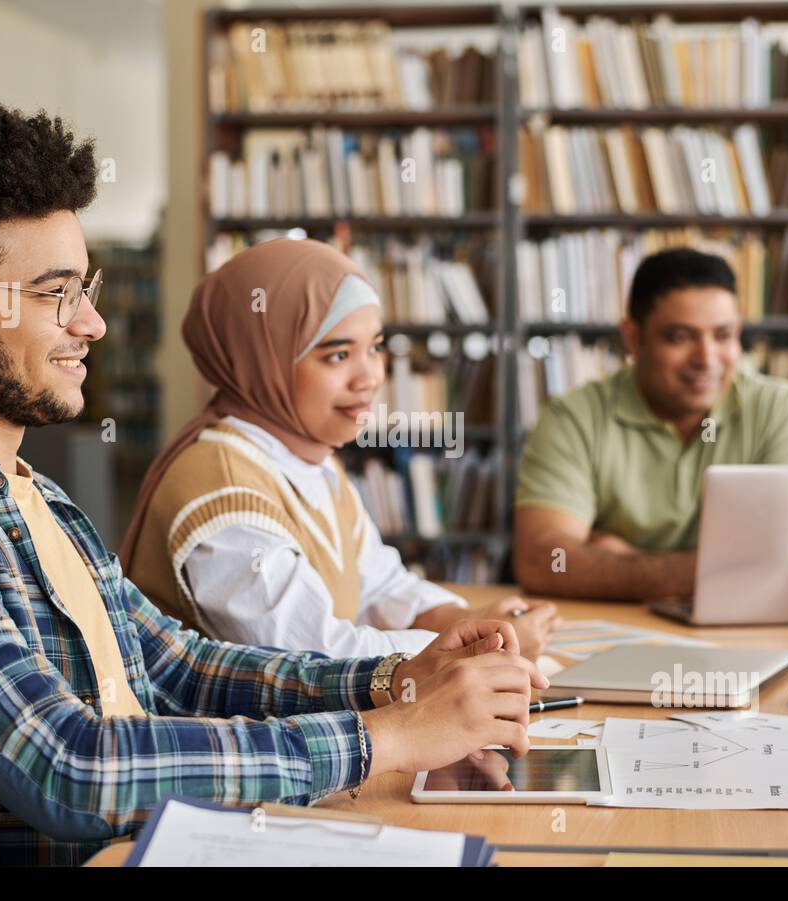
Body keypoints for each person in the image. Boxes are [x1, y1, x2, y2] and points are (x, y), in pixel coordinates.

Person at [0, 98, 547, 866]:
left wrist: (395, 680)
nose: (91, 323)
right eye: (57, 293)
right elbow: (70, 768)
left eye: (85, 289)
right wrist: (384, 738)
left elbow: (178, 668)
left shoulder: (35, 498)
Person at [121, 238, 558, 661]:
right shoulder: (220, 489)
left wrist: (468, 620)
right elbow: (318, 659)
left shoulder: (310, 461)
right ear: (263, 360)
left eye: (375, 347)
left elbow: (380, 588)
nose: (369, 376)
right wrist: (470, 647)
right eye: (337, 355)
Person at [513, 247, 788, 602]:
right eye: (680, 337)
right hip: (616, 635)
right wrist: (724, 569)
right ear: (633, 338)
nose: (706, 359)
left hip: (747, 629)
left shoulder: (783, 412)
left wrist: (617, 557)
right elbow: (543, 560)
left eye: (723, 335)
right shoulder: (573, 417)